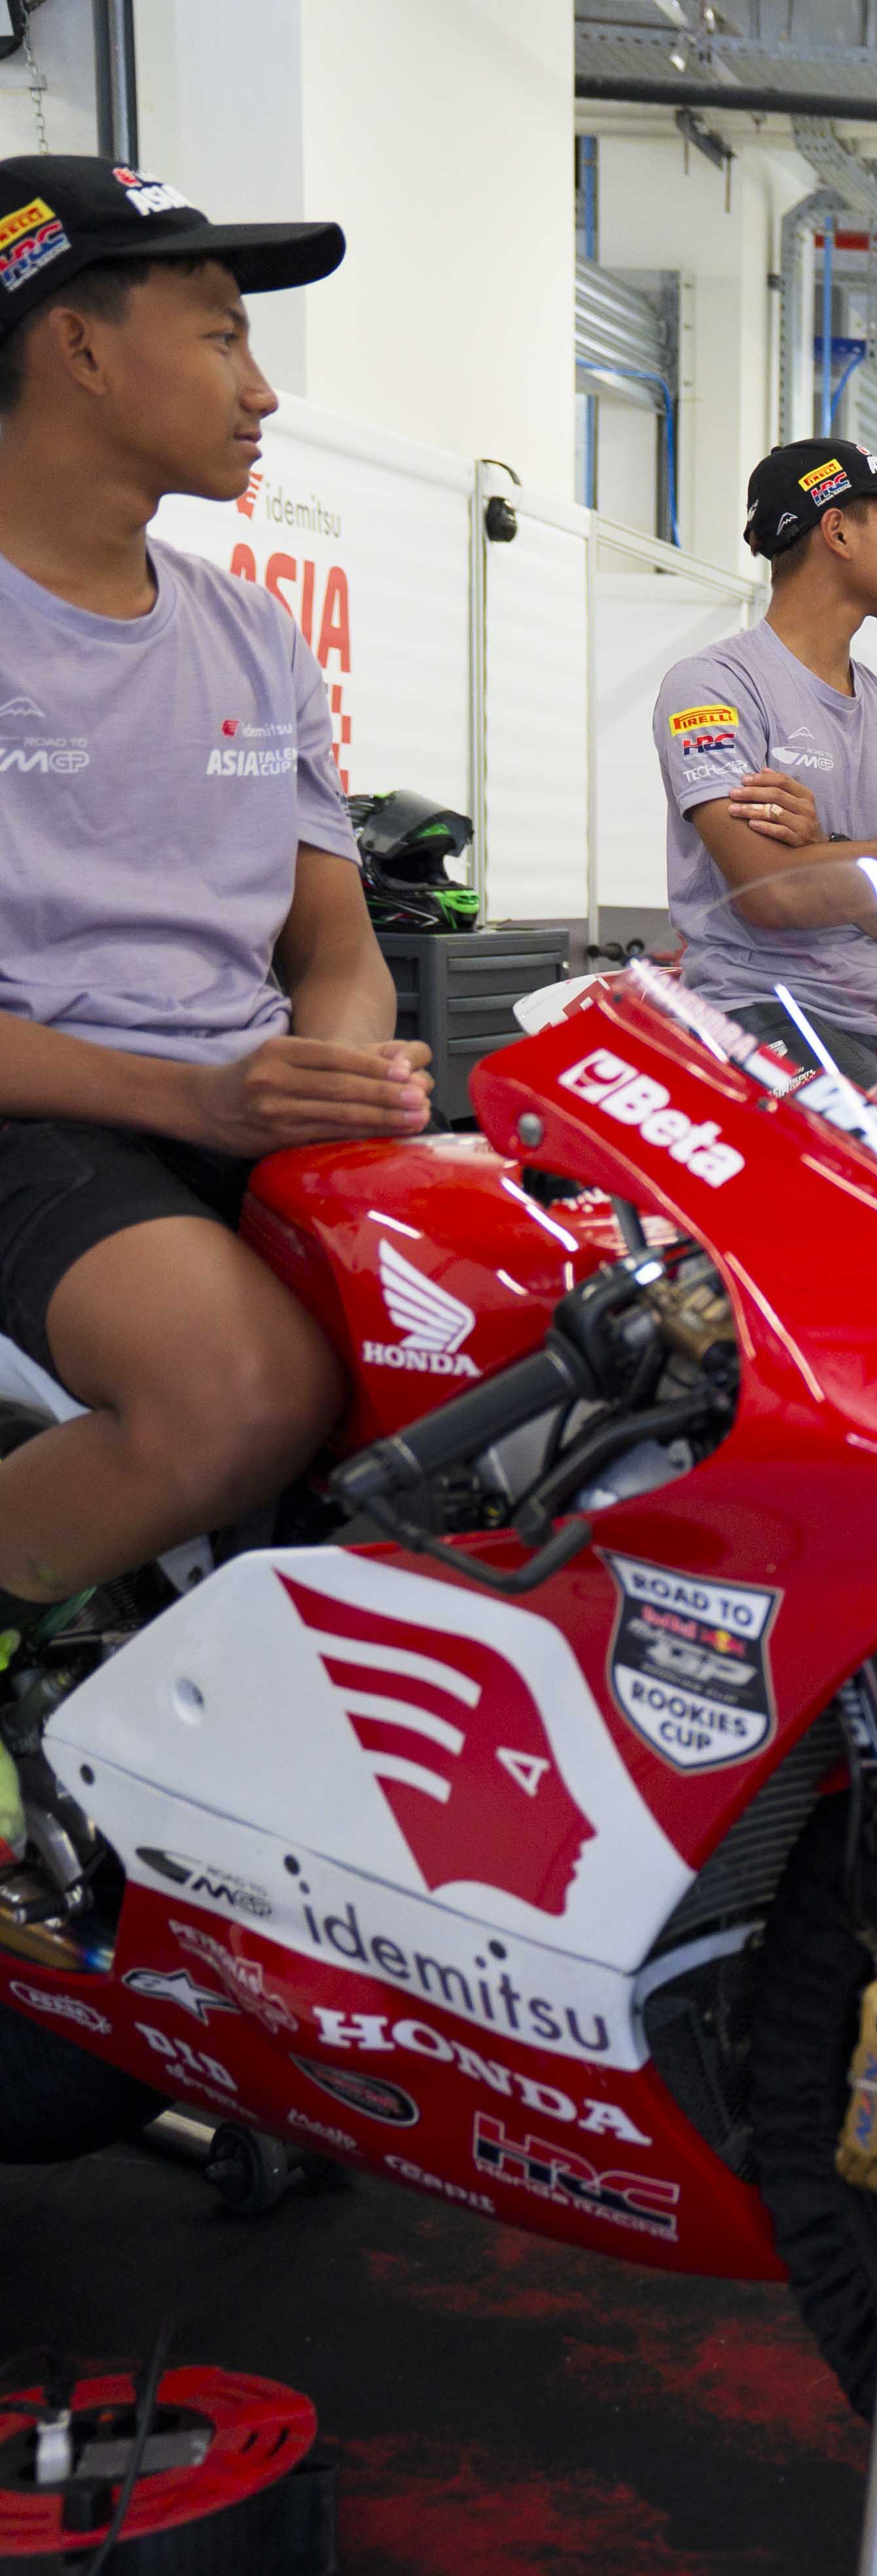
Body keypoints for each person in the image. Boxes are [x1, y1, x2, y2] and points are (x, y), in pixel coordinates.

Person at [0, 157, 421, 1677]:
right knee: (239, 1394)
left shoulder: (249, 631)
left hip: (238, 1104)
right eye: (223, 335)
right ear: (82, 347)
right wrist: (201, 1095)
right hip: (45, 1117)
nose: (262, 392)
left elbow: (337, 948)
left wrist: (345, 1078)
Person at [651, 437, 877, 1075]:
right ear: (838, 532)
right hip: (758, 1017)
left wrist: (824, 845)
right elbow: (775, 897)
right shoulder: (713, 686)